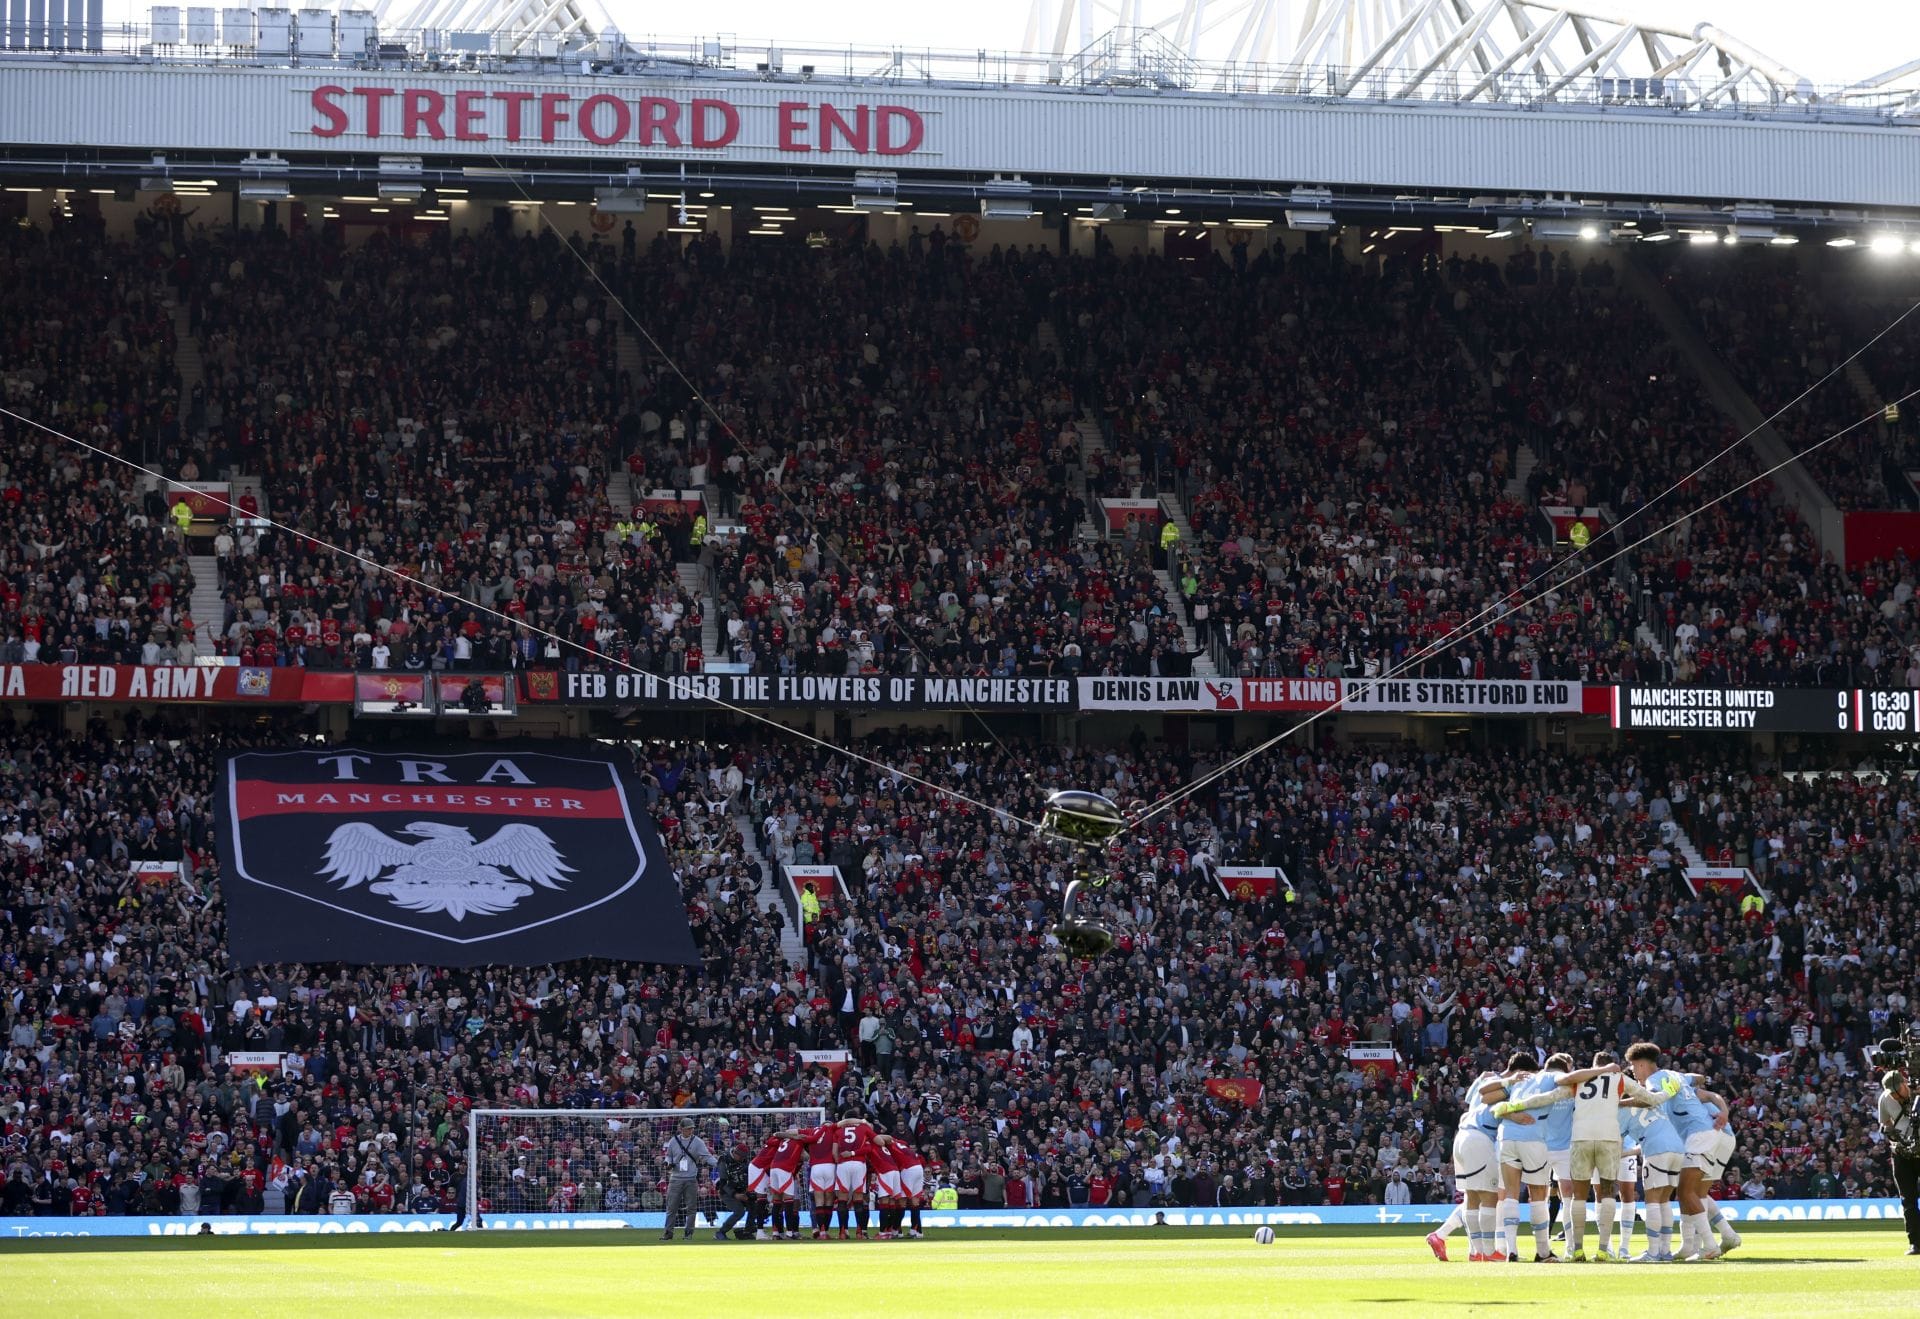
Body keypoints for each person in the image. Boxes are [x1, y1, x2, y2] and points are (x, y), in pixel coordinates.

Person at [1877, 1069, 1920, 1255]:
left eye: (1897, 1091)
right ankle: (1915, 1243)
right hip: (1902, 1153)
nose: (1895, 1095)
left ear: (1905, 1084)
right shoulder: (1885, 1099)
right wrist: (1894, 1139)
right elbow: (1886, 1123)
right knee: (1907, 1201)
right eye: (1891, 1093)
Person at [661, 1117, 716, 1241]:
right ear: (681, 1129)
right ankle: (668, 1232)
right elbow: (668, 1156)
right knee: (671, 1207)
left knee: (691, 1207)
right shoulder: (673, 1141)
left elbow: (707, 1156)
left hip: (691, 1179)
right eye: (688, 1129)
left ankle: (688, 1233)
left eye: (692, 1128)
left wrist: (718, 1164)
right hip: (675, 1178)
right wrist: (667, 1163)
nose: (690, 1131)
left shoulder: (698, 1142)